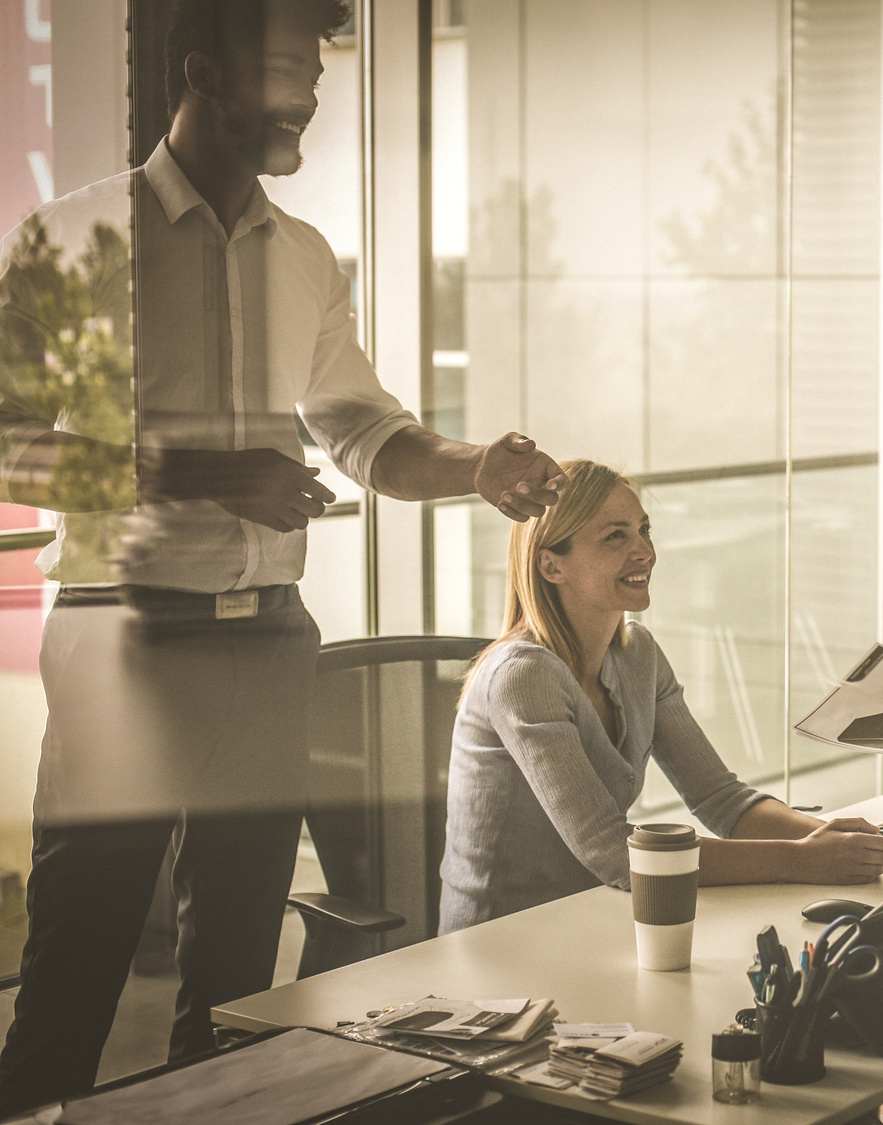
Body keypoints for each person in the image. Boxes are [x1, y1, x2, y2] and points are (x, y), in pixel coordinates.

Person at [0, 0, 565, 1112]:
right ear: (202, 70)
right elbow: (11, 442)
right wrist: (210, 478)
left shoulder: (305, 255)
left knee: (236, 973)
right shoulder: (68, 237)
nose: (308, 95)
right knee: (83, 951)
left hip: (266, 635)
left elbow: (364, 432)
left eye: (314, 73)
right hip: (121, 626)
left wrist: (474, 465)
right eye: (283, 69)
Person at [439, 460, 883, 932]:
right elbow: (613, 852)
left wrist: (834, 842)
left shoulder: (639, 654)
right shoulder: (522, 675)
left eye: (644, 530)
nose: (644, 552)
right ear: (552, 565)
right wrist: (800, 860)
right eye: (616, 536)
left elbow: (721, 798)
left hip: (599, 914)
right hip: (503, 941)